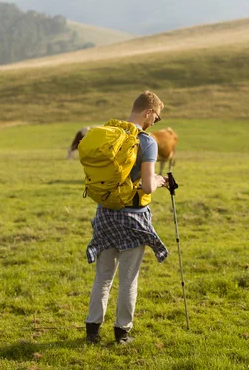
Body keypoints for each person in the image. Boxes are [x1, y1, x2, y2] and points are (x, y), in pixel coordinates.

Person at [84, 90, 169, 344]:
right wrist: (160, 181)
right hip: (133, 217)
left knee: (103, 276)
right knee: (128, 279)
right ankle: (122, 332)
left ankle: (92, 331)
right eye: (157, 117)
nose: (155, 122)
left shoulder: (110, 134)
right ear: (149, 112)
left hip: (105, 214)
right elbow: (146, 185)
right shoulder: (147, 142)